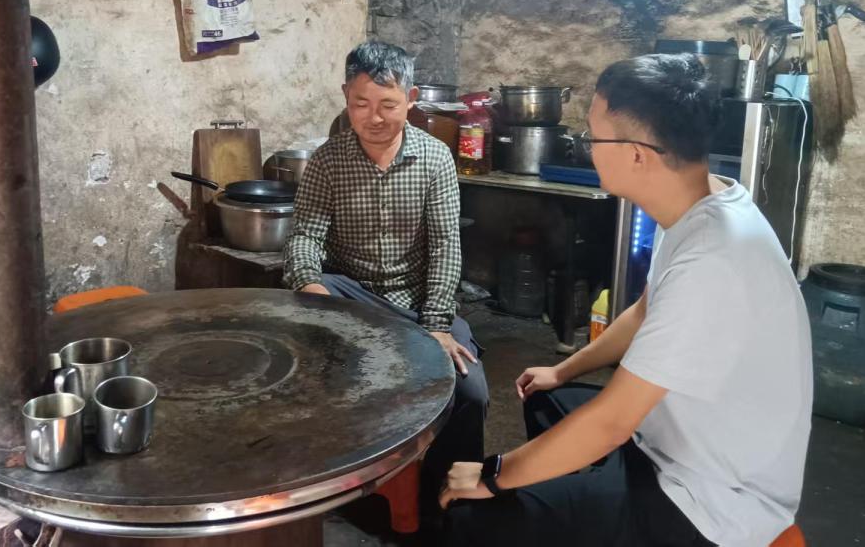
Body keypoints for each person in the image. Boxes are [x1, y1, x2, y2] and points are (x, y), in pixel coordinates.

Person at [441, 54, 813, 547]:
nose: (587, 148)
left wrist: (492, 474)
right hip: (671, 443)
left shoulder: (713, 261)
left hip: (709, 501)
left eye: (594, 138)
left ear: (638, 154)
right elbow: (644, 311)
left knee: (471, 514)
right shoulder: (702, 203)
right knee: (546, 399)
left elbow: (612, 422)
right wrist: (563, 370)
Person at [283, 40, 488, 501]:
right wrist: (309, 283)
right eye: (361, 104)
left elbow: (446, 245)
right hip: (351, 295)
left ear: (411, 99)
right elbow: (305, 236)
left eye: (388, 105)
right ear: (345, 97)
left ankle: (451, 496)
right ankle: (335, 483)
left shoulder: (435, 158)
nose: (374, 118)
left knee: (469, 388)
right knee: (315, 369)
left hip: (414, 300)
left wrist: (437, 325)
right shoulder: (328, 160)